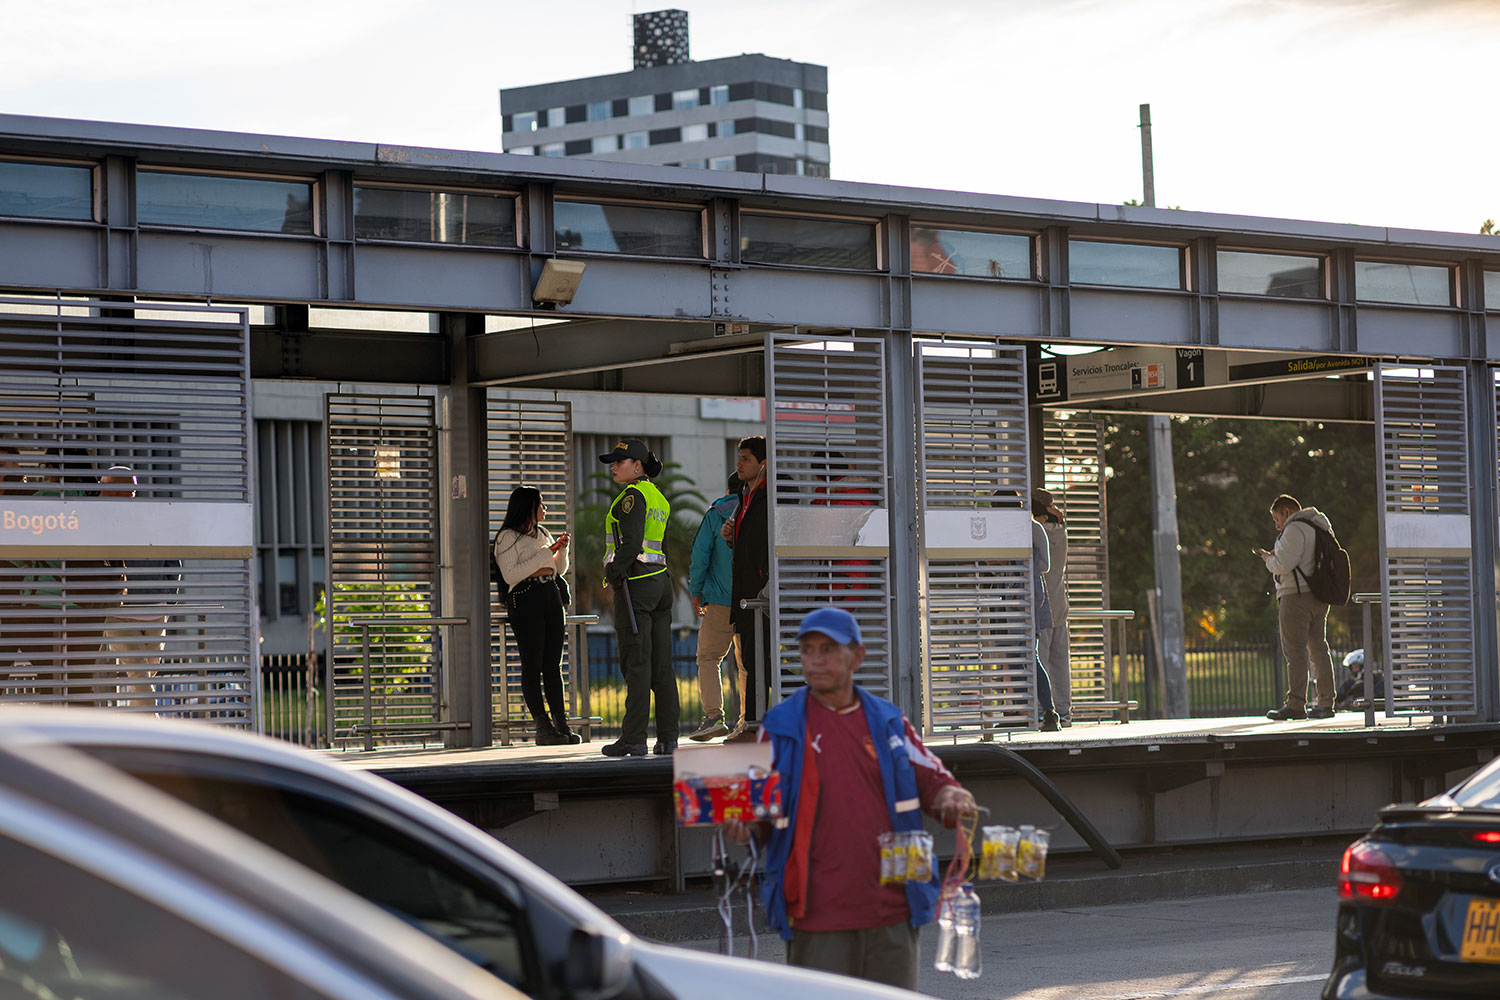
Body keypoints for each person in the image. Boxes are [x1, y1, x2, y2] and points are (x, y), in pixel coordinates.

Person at [722, 606, 978, 990]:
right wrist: (741, 824)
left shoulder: (888, 721)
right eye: (807, 650)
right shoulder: (780, 726)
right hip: (816, 918)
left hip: (893, 913)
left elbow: (934, 779)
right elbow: (751, 806)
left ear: (857, 656)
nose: (816, 659)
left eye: (828, 648)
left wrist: (952, 795)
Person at [597, 439, 678, 757]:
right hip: (661, 583)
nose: (614, 466)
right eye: (613, 462)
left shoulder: (632, 497)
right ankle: (668, 739)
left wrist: (615, 574)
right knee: (662, 666)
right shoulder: (659, 497)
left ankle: (633, 738)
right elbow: (662, 546)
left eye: (621, 461)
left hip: (637, 585)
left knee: (637, 663)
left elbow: (630, 544)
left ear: (638, 465)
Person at [494, 485, 577, 746]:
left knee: (553, 665)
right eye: (541, 504)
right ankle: (543, 727)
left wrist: (561, 550)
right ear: (528, 506)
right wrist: (545, 553)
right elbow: (512, 575)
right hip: (525, 600)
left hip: (550, 597)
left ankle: (561, 724)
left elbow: (557, 570)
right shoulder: (507, 537)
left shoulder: (542, 533)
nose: (545, 508)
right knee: (533, 665)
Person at [97, 467, 175, 706]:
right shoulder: (97, 521)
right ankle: (157, 735)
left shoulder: (150, 520)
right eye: (124, 487)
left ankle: (131, 736)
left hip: (155, 615)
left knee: (141, 683)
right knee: (142, 681)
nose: (130, 493)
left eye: (132, 488)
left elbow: (173, 560)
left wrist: (167, 602)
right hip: (119, 615)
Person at [1257, 494, 1336, 720]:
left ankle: (1295, 704)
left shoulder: (1294, 529)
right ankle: (1326, 702)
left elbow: (1283, 564)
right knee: (1319, 649)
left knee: (1295, 651)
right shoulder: (1318, 526)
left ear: (1287, 512)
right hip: (1319, 596)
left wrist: (1267, 559)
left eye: (1277, 518)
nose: (1276, 525)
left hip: (1295, 596)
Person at [685, 472, 740, 742]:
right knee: (747, 663)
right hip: (752, 601)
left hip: (720, 600)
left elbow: (700, 555)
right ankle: (747, 720)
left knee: (708, 657)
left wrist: (696, 592)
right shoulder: (758, 511)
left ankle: (714, 717)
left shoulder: (717, 513)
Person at [721, 436, 768, 743]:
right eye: (739, 457)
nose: (739, 463)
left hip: (763, 593)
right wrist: (730, 535)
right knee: (752, 661)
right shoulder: (745, 496)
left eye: (747, 458)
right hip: (745, 594)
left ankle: (755, 726)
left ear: (763, 464)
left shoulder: (772, 493)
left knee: (763, 660)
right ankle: (755, 724)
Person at [1032, 488, 1071, 727]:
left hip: (1042, 604)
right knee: (1060, 661)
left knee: (1041, 660)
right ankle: (1065, 712)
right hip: (1060, 603)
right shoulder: (1061, 532)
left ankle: (1043, 711)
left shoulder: (1036, 532)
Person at [1029, 504, 1062, 732]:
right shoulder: (1041, 529)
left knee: (1032, 657)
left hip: (1032, 600)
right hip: (1027, 599)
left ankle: (1047, 711)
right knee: (1026, 658)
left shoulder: (1036, 529)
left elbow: (1044, 565)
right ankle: (1034, 712)